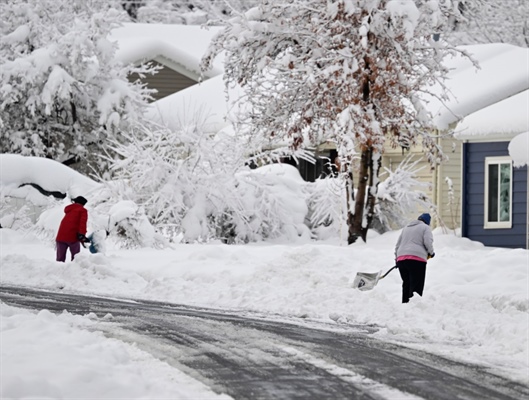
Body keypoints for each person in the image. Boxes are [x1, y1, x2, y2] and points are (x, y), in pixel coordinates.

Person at [394, 213, 435, 303]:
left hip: (401, 259)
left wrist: (396, 260)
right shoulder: (425, 227)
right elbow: (428, 242)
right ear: (427, 222)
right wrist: (431, 253)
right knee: (416, 285)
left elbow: (397, 245)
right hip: (416, 260)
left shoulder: (406, 228)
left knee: (406, 284)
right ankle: (414, 307)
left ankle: (405, 305)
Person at [56, 196, 89, 262]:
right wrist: (82, 235)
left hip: (60, 237)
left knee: (60, 260)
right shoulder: (82, 210)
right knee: (76, 259)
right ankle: (75, 271)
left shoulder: (69, 210)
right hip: (72, 237)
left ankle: (58, 271)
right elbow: (83, 223)